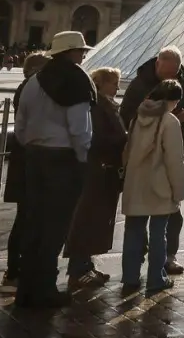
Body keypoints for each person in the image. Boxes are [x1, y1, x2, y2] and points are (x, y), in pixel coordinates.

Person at [12, 31, 95, 308]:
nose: (83, 55)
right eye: (81, 51)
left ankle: (26, 287)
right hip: (64, 159)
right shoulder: (77, 79)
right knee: (56, 227)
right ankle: (46, 288)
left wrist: (33, 146)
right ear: (71, 52)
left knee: (34, 223)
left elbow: (20, 125)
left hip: (34, 157)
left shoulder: (33, 81)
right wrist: (83, 159)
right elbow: (80, 129)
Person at [120, 47, 184, 276]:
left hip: (155, 158)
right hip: (148, 160)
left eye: (174, 74)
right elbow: (125, 117)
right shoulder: (139, 85)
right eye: (167, 74)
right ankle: (149, 268)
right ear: (157, 64)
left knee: (161, 218)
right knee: (151, 220)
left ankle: (165, 258)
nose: (171, 78)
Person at [120, 80, 184, 294]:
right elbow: (174, 160)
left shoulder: (137, 118)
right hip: (160, 185)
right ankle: (156, 278)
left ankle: (130, 276)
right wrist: (179, 190)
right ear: (173, 100)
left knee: (133, 232)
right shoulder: (170, 121)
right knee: (159, 233)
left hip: (135, 183)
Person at [65, 67, 126, 290]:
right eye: (114, 83)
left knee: (96, 220)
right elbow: (99, 138)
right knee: (87, 220)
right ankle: (78, 269)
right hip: (97, 171)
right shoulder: (98, 106)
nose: (118, 87)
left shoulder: (105, 104)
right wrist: (124, 140)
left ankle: (86, 265)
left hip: (103, 170)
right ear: (100, 83)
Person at [2, 51, 49, 292]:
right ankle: (14, 272)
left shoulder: (26, 87)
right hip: (29, 161)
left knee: (26, 218)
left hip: (25, 161)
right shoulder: (33, 89)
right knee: (26, 220)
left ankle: (16, 271)